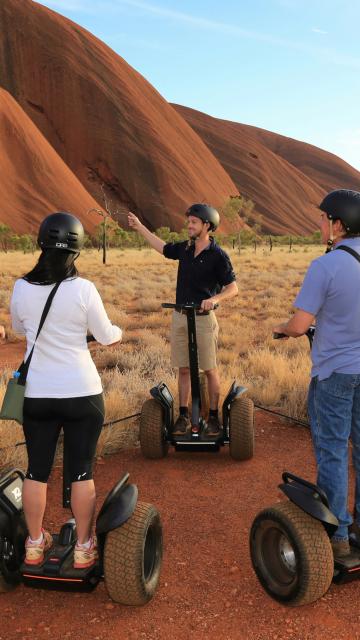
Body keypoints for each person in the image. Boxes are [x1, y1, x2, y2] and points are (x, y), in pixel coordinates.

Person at [10, 212, 122, 568]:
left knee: (37, 471)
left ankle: (33, 543)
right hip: (81, 394)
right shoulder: (84, 289)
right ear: (77, 248)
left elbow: (19, 328)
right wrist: (115, 332)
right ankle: (84, 546)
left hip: (37, 396)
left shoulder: (21, 287)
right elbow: (106, 335)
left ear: (41, 243)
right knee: (82, 471)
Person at [273, 189, 360, 558]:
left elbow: (300, 324)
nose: (319, 222)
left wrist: (282, 328)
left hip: (334, 374)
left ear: (338, 225)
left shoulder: (325, 266)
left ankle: (338, 536)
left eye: (324, 217)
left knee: (333, 450)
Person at [128, 203, 238, 438]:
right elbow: (163, 248)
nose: (189, 225)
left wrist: (215, 299)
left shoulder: (218, 256)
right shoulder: (185, 249)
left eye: (194, 222)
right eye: (188, 221)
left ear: (207, 225)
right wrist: (139, 227)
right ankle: (184, 415)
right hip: (180, 317)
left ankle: (213, 418)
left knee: (209, 369)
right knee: (184, 369)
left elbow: (233, 288)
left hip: (203, 319)